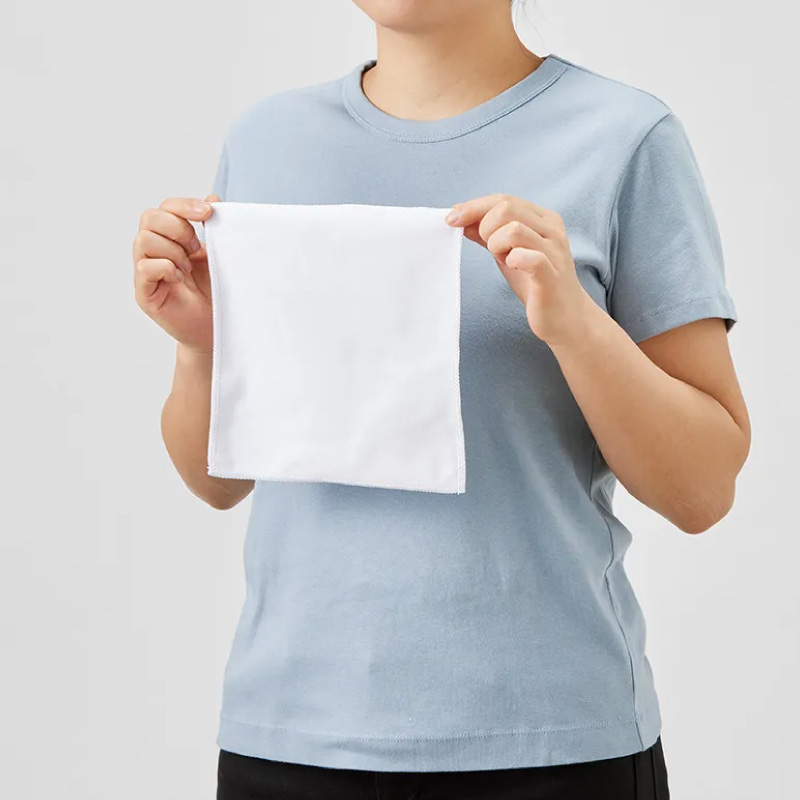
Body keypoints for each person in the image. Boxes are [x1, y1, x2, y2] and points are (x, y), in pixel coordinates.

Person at [132, 1, 751, 797]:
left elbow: (703, 490)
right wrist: (200, 344)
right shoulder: (267, 141)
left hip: (552, 744)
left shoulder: (625, 138)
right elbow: (217, 483)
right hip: (290, 738)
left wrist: (573, 322)